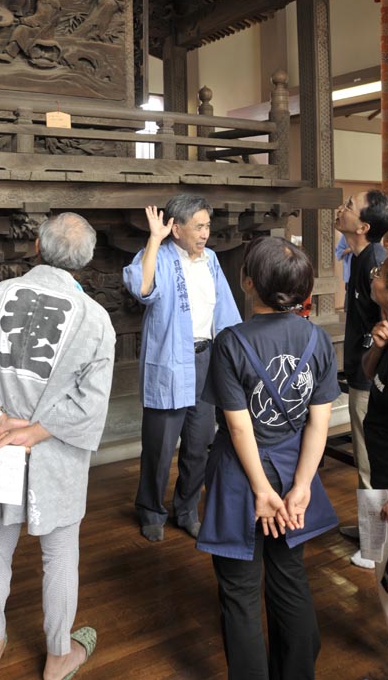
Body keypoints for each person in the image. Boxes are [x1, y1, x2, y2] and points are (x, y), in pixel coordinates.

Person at [0, 212, 115, 680]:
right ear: (84, 261)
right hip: (57, 454)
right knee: (60, 553)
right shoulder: (94, 320)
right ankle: (58, 656)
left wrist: (0, 420)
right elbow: (90, 404)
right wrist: (35, 432)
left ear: (37, 248)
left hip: (0, 446)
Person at [197, 235, 339, 680]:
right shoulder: (317, 340)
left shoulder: (231, 342)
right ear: (303, 290)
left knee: (240, 589)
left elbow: (239, 426)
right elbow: (319, 422)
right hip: (295, 468)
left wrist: (261, 491)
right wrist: (299, 488)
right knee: (289, 575)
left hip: (244, 479)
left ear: (248, 283)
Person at [122, 195, 241, 542]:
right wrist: (154, 240)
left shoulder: (212, 260)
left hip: (206, 360)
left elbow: (225, 313)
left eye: (208, 226)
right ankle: (150, 510)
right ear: (176, 228)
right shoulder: (157, 256)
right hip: (172, 362)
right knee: (159, 447)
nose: (206, 233)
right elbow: (142, 288)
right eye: (199, 226)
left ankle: (186, 510)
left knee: (199, 443)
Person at [334, 190, 388, 568]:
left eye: (349, 206)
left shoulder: (376, 263)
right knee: (363, 457)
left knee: (370, 461)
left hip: (372, 377)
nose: (341, 208)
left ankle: (374, 548)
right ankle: (367, 526)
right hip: (362, 370)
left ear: (364, 226)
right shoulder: (361, 259)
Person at [362, 244, 388, 680]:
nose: (373, 279)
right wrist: (375, 347)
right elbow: (370, 375)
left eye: (380, 275)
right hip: (376, 479)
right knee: (378, 570)